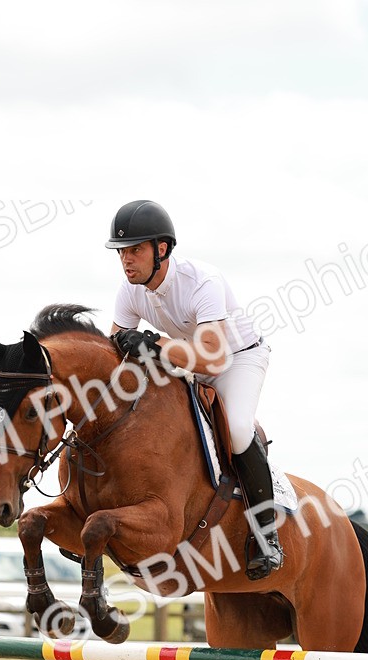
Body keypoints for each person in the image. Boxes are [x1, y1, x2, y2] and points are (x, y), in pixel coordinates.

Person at [106, 199, 283, 581]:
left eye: (135, 250)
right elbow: (115, 345)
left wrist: (154, 344)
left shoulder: (202, 281)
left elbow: (213, 359)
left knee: (236, 428)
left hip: (237, 360)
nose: (126, 260)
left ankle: (266, 534)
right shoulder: (130, 290)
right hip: (190, 361)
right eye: (122, 252)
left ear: (162, 249)